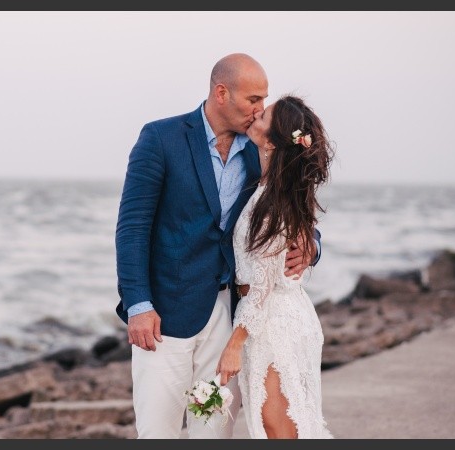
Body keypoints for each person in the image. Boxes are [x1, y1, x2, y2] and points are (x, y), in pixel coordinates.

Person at [114, 53, 322, 439]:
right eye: (254, 99)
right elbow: (132, 227)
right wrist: (138, 304)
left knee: (213, 433)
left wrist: (311, 245)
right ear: (222, 93)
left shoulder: (260, 148)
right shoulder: (161, 138)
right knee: (158, 431)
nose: (261, 109)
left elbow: (289, 203)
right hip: (164, 316)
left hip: (230, 315)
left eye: (264, 100)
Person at [215, 95, 334, 439]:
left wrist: (233, 345)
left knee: (277, 426)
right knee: (284, 424)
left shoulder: (273, 204)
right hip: (275, 317)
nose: (255, 113)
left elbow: (263, 284)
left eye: (263, 114)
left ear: (270, 141)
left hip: (274, 323)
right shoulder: (272, 192)